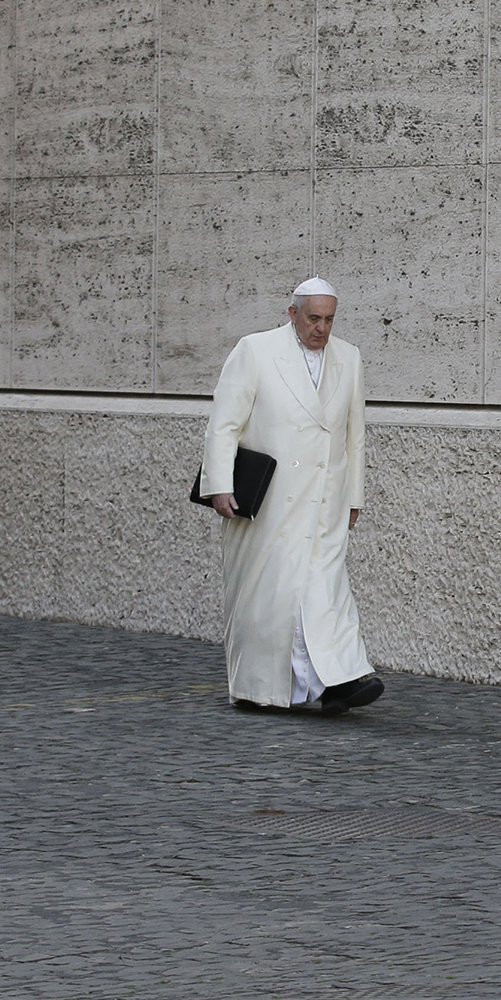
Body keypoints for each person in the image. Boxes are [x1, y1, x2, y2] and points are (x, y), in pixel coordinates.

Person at [199, 277, 383, 714]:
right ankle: (262, 687)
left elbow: (354, 435)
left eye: (329, 319)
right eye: (313, 318)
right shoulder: (255, 350)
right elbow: (224, 423)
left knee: (326, 589)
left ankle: (340, 679)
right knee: (272, 596)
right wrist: (219, 485)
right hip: (270, 502)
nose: (322, 328)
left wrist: (354, 496)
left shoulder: (349, 358)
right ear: (292, 314)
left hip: (324, 500)